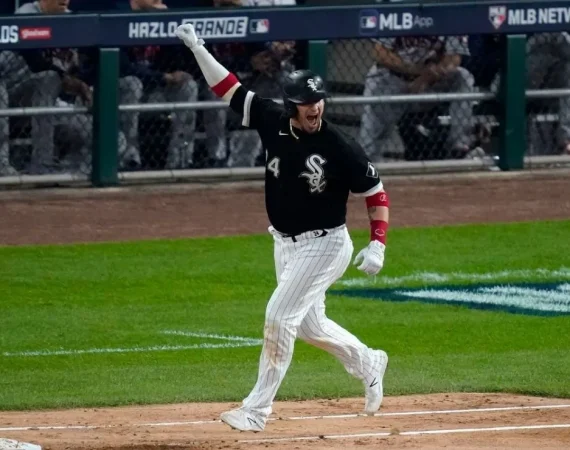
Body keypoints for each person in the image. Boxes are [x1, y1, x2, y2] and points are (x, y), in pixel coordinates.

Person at [176, 23, 390, 432]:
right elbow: (229, 88)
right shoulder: (272, 119)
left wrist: (377, 244)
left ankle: (256, 411)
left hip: (326, 244)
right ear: (291, 105)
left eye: (319, 101)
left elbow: (376, 193)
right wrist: (198, 48)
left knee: (278, 315)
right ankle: (369, 362)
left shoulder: (340, 146)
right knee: (310, 326)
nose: (315, 109)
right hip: (285, 243)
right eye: (307, 103)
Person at [359, 36, 477, 161]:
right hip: (392, 80)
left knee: (463, 77)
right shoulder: (396, 21)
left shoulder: (450, 22)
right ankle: (366, 164)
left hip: (432, 82)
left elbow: (454, 59)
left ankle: (459, 145)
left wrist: (425, 78)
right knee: (368, 146)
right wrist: (414, 71)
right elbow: (380, 53)